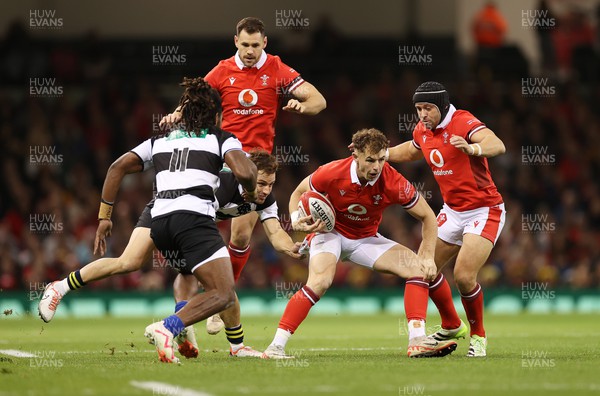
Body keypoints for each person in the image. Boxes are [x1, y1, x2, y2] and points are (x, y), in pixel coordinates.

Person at [38, 149, 304, 359]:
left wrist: (293, 247)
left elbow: (275, 233)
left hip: (192, 221)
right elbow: (195, 216)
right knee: (129, 262)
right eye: (261, 183)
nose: (266, 190)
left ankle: (227, 342)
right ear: (246, 174)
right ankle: (59, 288)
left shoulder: (264, 200)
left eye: (270, 184)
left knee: (199, 274)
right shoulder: (222, 184)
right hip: (168, 210)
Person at [160, 16, 326, 334]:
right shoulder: (223, 70)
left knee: (239, 236)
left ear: (264, 43)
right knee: (201, 227)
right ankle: (195, 299)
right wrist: (177, 114)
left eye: (255, 45)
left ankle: (218, 299)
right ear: (235, 41)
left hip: (257, 165)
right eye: (245, 45)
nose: (250, 51)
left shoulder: (277, 69)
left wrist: (304, 107)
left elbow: (319, 99)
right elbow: (194, 99)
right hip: (225, 159)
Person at [261, 128, 458, 359]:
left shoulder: (393, 180)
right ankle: (275, 347)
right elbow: (298, 192)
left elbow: (428, 217)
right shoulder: (331, 172)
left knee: (417, 268)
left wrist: (426, 254)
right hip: (330, 233)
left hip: (365, 238)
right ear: (354, 154)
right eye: (370, 160)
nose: (377, 167)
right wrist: (296, 219)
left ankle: (417, 341)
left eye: (382, 159)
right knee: (320, 282)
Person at [387, 81, 506, 357]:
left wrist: (472, 149)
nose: (422, 114)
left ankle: (478, 336)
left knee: (464, 276)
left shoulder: (462, 121)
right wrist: (383, 155)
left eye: (427, 108)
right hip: (452, 211)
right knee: (421, 269)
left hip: (484, 209)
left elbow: (496, 144)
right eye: (418, 108)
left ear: (441, 106)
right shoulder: (424, 130)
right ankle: (452, 325)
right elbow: (413, 149)